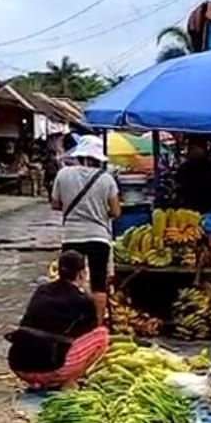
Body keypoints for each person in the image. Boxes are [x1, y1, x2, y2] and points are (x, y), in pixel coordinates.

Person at [7, 250, 108, 389]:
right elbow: (91, 328)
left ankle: (41, 382)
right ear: (82, 274)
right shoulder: (83, 300)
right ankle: (69, 380)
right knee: (102, 335)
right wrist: (86, 290)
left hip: (18, 366)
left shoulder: (42, 290)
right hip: (53, 369)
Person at [51, 135, 121, 324]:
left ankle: (69, 322)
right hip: (99, 237)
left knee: (68, 283)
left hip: (71, 236)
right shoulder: (106, 179)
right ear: (97, 158)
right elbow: (115, 211)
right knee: (99, 284)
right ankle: (97, 325)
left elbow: (56, 205)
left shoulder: (63, 175)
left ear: (80, 155)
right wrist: (98, 211)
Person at [175, 141, 211, 214]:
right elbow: (179, 183)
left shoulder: (209, 167)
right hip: (188, 206)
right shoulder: (184, 167)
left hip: (205, 205)